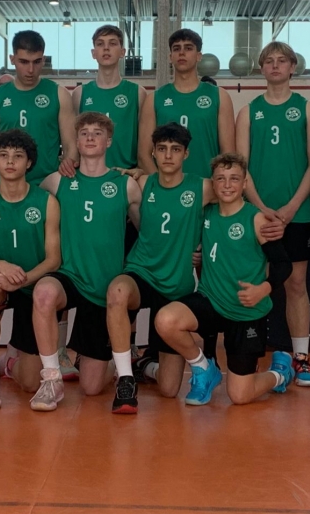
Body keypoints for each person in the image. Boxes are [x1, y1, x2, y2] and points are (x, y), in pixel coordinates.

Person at [155, 153, 293, 406]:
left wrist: (263, 288)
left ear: (244, 184)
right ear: (213, 183)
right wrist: (198, 255)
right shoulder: (205, 214)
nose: (227, 185)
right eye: (221, 178)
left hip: (246, 311)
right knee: (166, 320)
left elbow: (283, 265)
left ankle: (279, 374)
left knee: (240, 396)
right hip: (212, 300)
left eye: (234, 179)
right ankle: (203, 368)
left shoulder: (256, 219)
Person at [30, 113, 143, 411]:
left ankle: (111, 361)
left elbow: (146, 233)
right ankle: (51, 378)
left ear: (109, 141)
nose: (90, 137)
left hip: (105, 287)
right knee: (44, 293)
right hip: (70, 276)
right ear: (77, 142)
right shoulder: (57, 181)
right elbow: (25, 206)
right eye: (84, 133)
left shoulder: (126, 185)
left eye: (97, 132)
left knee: (91, 388)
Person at [107, 123, 213, 414]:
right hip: (142, 271)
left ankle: (144, 365)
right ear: (153, 152)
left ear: (186, 154)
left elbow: (234, 199)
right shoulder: (143, 183)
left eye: (175, 150)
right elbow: (103, 178)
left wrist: (206, 243)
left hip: (176, 285)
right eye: (162, 149)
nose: (168, 155)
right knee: (117, 292)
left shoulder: (202, 187)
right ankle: (126, 379)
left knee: (169, 389)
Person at [236, 40, 310, 388]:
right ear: (261, 68)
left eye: (281, 60)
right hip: (257, 214)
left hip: (295, 214)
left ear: (292, 66)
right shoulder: (248, 112)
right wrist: (260, 208)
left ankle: (300, 358)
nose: (275, 66)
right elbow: (241, 168)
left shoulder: (308, 109)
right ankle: (252, 354)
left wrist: (291, 207)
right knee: (257, 282)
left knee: (296, 283)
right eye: (268, 61)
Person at [0, 129, 61, 408]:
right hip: (0, 281)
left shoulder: (46, 202)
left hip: (34, 284)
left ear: (29, 162)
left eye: (18, 156)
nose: (10, 161)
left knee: (29, 382)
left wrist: (22, 279)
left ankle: (9, 361)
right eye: (3, 155)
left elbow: (53, 260)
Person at [0, 31, 76, 198]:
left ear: (43, 59)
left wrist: (69, 162)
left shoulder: (59, 94)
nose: (30, 70)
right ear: (12, 59)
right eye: (23, 62)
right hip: (4, 185)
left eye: (37, 62)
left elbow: (70, 145)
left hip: (47, 184)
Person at [139, 29, 235, 179]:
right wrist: (162, 185)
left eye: (188, 48)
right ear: (170, 57)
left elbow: (228, 154)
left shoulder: (219, 96)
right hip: (166, 188)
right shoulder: (154, 99)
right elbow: (143, 155)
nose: (182, 53)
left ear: (199, 56)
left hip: (207, 186)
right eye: (177, 48)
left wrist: (215, 186)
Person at [72, 25, 146, 172]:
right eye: (100, 44)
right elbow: (74, 139)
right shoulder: (80, 93)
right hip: (89, 174)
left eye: (112, 43)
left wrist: (140, 169)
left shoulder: (138, 92)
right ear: (93, 53)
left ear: (122, 52)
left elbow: (144, 141)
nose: (106, 48)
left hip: (125, 173)